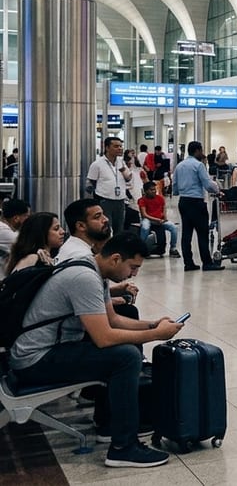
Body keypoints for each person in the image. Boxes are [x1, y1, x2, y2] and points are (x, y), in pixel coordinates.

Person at [9, 232, 184, 469]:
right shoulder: (84, 277)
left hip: (51, 349)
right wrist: (156, 334)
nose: (134, 274)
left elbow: (113, 320)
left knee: (125, 349)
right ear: (115, 259)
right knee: (126, 357)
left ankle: (109, 424)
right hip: (35, 359)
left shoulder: (94, 271)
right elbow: (104, 338)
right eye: (132, 267)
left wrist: (153, 324)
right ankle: (123, 447)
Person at [172, 141, 224, 271]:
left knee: (186, 234)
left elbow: (175, 187)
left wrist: (182, 191)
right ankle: (207, 262)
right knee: (202, 233)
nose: (202, 153)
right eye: (201, 150)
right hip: (196, 202)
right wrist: (218, 190)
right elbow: (207, 184)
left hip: (183, 202)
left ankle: (188, 263)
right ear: (197, 151)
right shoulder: (198, 165)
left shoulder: (179, 165)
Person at [87, 136, 134, 233]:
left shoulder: (121, 162)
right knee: (106, 228)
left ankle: (116, 248)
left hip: (120, 200)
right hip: (105, 200)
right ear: (107, 148)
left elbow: (129, 179)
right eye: (116, 146)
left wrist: (123, 169)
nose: (120, 148)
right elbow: (91, 183)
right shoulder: (97, 164)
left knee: (119, 228)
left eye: (121, 146)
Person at [3, 211, 65, 276]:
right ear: (41, 232)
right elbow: (13, 283)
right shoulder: (32, 258)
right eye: (56, 229)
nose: (62, 231)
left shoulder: (56, 254)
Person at [137, 182, 180, 258]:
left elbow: (164, 208)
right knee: (145, 226)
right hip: (148, 219)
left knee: (173, 227)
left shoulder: (160, 198)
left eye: (154, 189)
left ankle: (173, 248)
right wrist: (157, 220)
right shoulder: (142, 200)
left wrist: (165, 217)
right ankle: (141, 248)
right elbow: (144, 215)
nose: (154, 191)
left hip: (160, 220)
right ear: (146, 191)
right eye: (151, 190)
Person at [0, 197, 31, 266]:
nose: (29, 220)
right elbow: (27, 246)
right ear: (16, 218)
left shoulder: (9, 229)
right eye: (27, 216)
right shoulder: (3, 230)